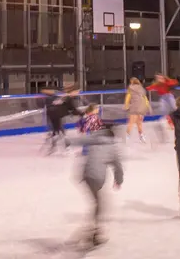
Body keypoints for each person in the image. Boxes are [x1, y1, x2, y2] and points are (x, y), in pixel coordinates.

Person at [66, 119, 123, 247]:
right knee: (100, 205)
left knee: (98, 204)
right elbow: (118, 166)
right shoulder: (112, 146)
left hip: (85, 175)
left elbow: (81, 140)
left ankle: (92, 231)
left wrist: (69, 141)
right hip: (97, 178)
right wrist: (119, 180)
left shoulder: (94, 138)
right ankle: (93, 233)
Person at [43, 84, 80, 153]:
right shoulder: (68, 98)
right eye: (77, 91)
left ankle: (54, 147)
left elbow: (68, 108)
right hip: (57, 116)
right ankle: (66, 147)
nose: (78, 93)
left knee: (57, 131)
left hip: (53, 115)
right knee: (61, 132)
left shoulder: (63, 96)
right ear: (73, 91)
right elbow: (73, 109)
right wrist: (82, 114)